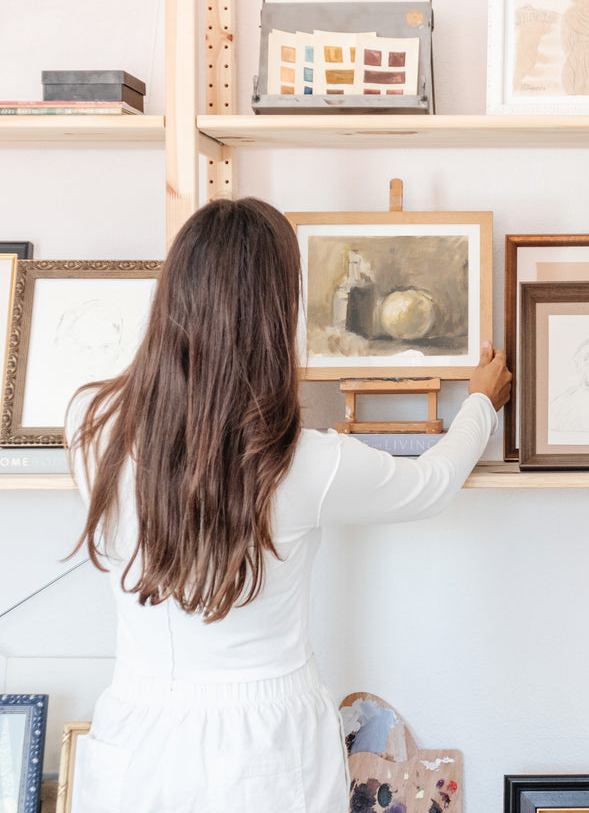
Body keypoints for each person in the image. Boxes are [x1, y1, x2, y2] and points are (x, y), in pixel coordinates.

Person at [65, 197, 512, 813]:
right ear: (276, 314)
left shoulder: (90, 426)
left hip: (136, 740)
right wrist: (481, 402)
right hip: (267, 750)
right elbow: (431, 484)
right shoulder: (301, 462)